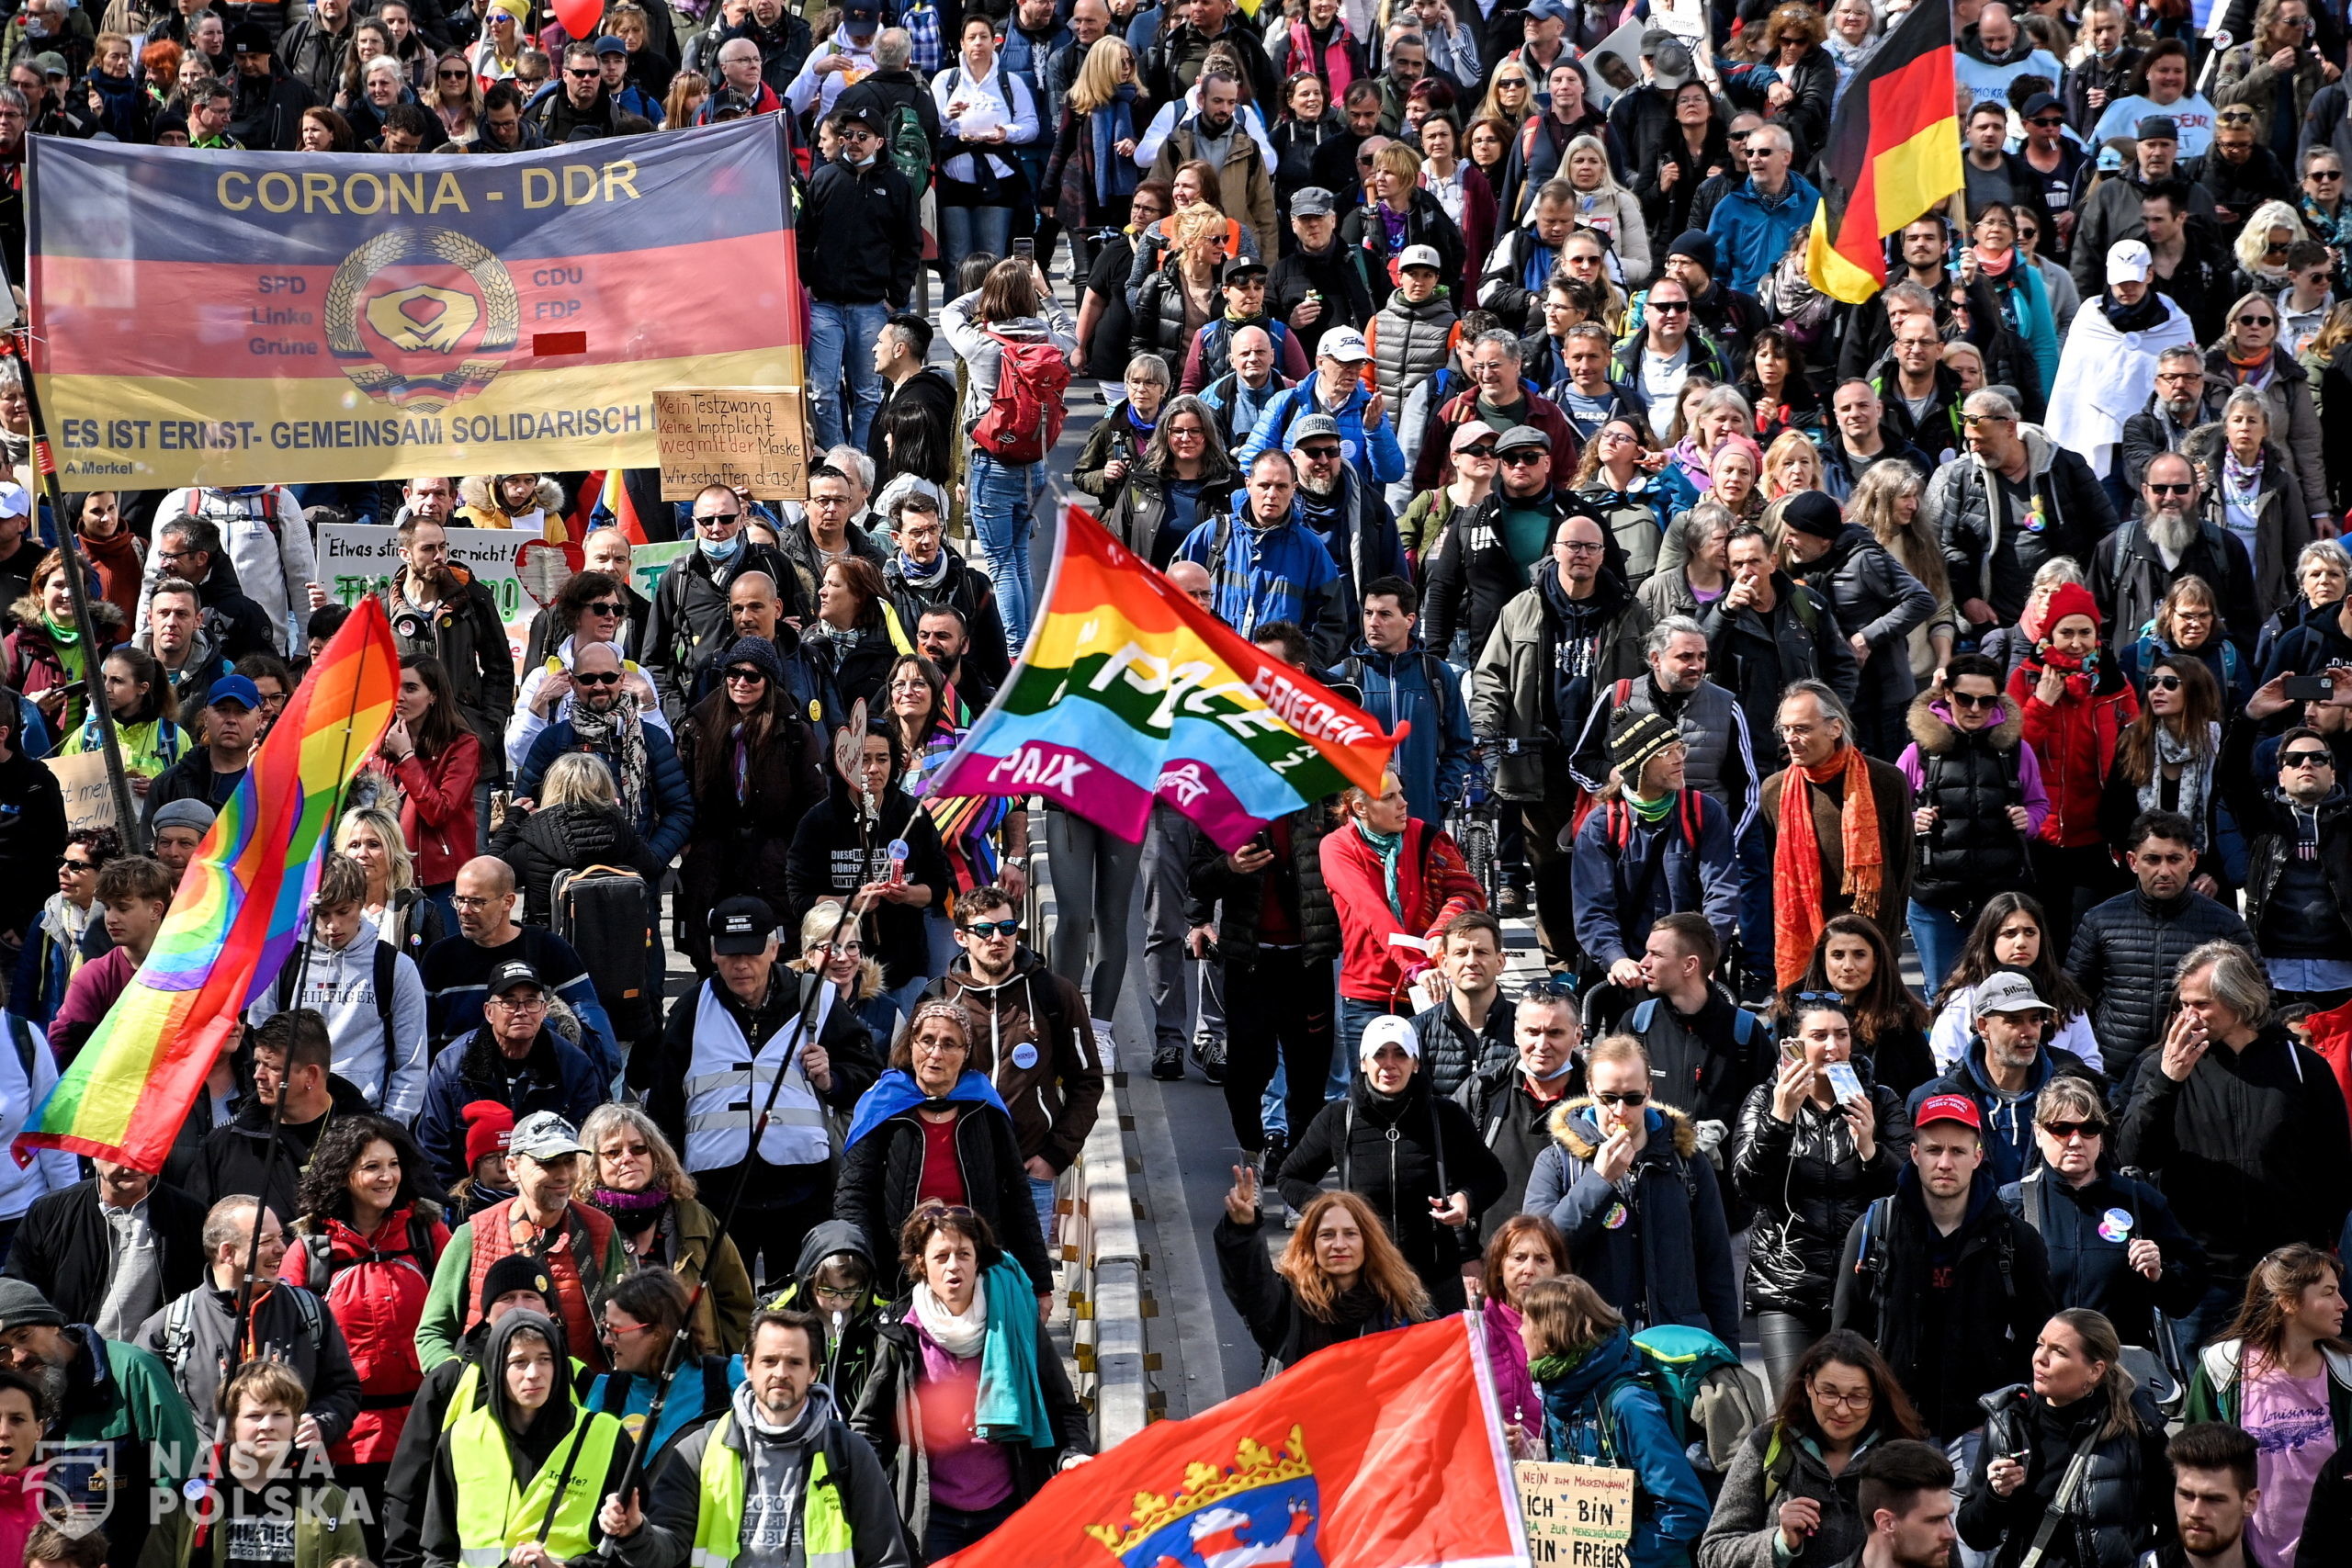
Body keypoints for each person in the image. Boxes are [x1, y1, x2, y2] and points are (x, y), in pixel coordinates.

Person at [2119, 942, 2352, 1353]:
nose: (2188, 1015)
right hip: (2203, 1277)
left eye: (2201, 1004)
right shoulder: (2162, 1066)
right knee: (2208, 1410)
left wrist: (2316, 1248)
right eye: (2184, 1004)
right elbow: (2133, 1156)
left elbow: (2336, 1167)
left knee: (2290, 1407)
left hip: (2289, 1276)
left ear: (2239, 1001)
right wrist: (2168, 1082)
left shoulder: (2303, 1067)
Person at [849, 1205, 1088, 1557]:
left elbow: (1062, 1406)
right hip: (931, 1521)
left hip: (1008, 1509)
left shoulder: (1016, 1321)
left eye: (963, 1254)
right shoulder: (901, 1332)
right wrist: (859, 1480)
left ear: (978, 1261)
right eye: (941, 1256)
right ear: (921, 1263)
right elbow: (869, 1424)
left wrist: (1073, 1455)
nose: (952, 1267)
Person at [1471, 510, 1653, 964]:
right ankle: (1559, 960)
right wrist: (1484, 727)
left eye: (1591, 548)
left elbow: (1652, 678)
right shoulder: (1521, 609)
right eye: (1573, 546)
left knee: (1608, 864)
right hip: (1540, 762)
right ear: (1554, 551)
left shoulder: (1628, 611)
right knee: (1549, 866)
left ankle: (1606, 957)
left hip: (1606, 765)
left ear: (1603, 555)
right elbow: (1491, 677)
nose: (1582, 556)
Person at [597, 1304, 906, 1568]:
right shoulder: (698, 1450)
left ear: (814, 1371)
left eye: (794, 1362)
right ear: (748, 1366)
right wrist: (635, 1531)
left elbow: (886, 1559)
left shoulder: (850, 1453)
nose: (780, 1373)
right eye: (769, 1361)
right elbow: (664, 1552)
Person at [1831, 1093, 2060, 1441]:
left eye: (1958, 1152)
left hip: (1979, 1428)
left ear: (1977, 1157)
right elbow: (1846, 1336)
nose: (1945, 1163)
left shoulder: (2015, 1239)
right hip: (1891, 1424)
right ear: (1915, 1154)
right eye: (1934, 1150)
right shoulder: (1873, 1229)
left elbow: (2038, 1341)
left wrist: (2009, 1413)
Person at [1734, 998, 1915, 1386]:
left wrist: (1870, 1149)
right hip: (1789, 1288)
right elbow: (1747, 1185)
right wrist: (1779, 1120)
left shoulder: (1880, 1101)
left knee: (1861, 1411)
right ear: (1793, 1045)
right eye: (1819, 1036)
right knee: (1795, 1416)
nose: (1832, 1047)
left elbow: (1912, 1192)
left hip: (1865, 1286)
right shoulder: (1765, 1100)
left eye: (1842, 1035)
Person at [835, 999, 1052, 1303]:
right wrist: (860, 1266)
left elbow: (1017, 1196)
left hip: (976, 1273)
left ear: (966, 1055)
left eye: (949, 1044)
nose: (936, 1053)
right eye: (927, 1040)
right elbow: (853, 1196)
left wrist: (1040, 1284)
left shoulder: (985, 1108)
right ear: (910, 1045)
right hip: (899, 1276)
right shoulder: (883, 1105)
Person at [922, 886, 1102, 1246]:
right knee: (960, 1294)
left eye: (1007, 928)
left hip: (1029, 1176)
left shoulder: (1055, 993)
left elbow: (1087, 1081)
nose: (998, 939)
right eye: (985, 931)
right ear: (961, 937)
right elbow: (916, 1085)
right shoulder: (937, 998)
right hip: (958, 1177)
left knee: (1026, 1295)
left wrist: (1054, 1155)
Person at [135, 1190, 362, 1452]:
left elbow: (343, 1389)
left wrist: (323, 1423)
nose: (282, 1248)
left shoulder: (309, 1311)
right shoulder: (169, 1327)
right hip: (205, 1487)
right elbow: (143, 1414)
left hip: (291, 1483)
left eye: (280, 1237)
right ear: (227, 1252)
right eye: (267, 1241)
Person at [416, 1305, 635, 1568]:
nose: (534, 1373)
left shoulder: (607, 1437)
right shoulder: (459, 1438)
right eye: (519, 1362)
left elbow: (633, 1551)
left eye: (545, 1359)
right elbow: (439, 1554)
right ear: (497, 1367)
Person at [1958, 1306, 2174, 1567]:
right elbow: (1975, 1536)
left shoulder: (2136, 1426)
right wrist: (1996, 1494)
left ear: (2094, 1371)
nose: (2040, 1358)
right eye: (2040, 1344)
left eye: (2059, 1352)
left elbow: (2175, 1520)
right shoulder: (2009, 1419)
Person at [1521, 1274, 1710, 1568]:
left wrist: (1624, 1559)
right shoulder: (1558, 1394)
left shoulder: (1629, 1404)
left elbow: (1687, 1508)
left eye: (1526, 1323)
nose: (1520, 1332)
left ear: (1550, 1334)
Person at [2002, 1076, 2206, 1348]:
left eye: (2089, 1129)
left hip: (2118, 1370)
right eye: (2061, 1128)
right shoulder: (2015, 1202)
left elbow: (2188, 1293)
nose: (2075, 1141)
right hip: (2039, 1369)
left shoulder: (2137, 1198)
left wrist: (2159, 1274)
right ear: (2039, 1133)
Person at [1698, 1330, 1930, 1568]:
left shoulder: (1906, 1461)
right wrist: (1779, 1543)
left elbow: (1941, 1556)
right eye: (1829, 1393)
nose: (1841, 1409)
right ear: (1809, 1385)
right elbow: (1712, 1552)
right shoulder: (1769, 1443)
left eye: (1857, 1397)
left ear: (1876, 1397)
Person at [940, 259, 1078, 653]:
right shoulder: (1049, 343)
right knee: (1019, 558)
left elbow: (950, 312)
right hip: (1033, 462)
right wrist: (1045, 292)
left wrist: (988, 290)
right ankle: (1025, 645)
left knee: (1000, 565)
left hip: (991, 463)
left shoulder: (984, 347)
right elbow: (1072, 334)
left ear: (993, 301)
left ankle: (1015, 651)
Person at [2183, 1246, 2352, 1564]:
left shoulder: (2347, 1375)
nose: (2342, 1304)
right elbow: (2195, 1474)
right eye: (2328, 1293)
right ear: (2289, 1302)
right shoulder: (2223, 1370)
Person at [2068, 816, 2256, 1090]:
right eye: (2153, 860)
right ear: (2133, 862)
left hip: (2200, 1077)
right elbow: (2072, 997)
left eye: (2174, 859)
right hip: (2115, 1077)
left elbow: (2258, 1003)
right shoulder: (2100, 921)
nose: (2165, 870)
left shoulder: (2225, 925)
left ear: (2192, 860)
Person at [675, 636, 827, 973]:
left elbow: (814, 801)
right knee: (711, 953)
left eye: (753, 676)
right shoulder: (698, 725)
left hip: (772, 857)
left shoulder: (794, 731)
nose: (741, 682)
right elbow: (679, 791)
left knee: (775, 952)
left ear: (769, 681)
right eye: (734, 673)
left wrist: (793, 853)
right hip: (713, 856)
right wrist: (689, 847)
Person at [2008, 585, 2142, 954]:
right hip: (2042, 835)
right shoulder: (2026, 678)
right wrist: (2042, 706)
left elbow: (2135, 744)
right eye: (2066, 633)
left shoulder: (2114, 683)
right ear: (2049, 635)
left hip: (2098, 835)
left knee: (2092, 941)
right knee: (2048, 939)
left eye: (2086, 632)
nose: (2076, 642)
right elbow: (2012, 754)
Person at [246, 853, 427, 1122]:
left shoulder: (395, 967)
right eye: (322, 914)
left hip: (363, 1116)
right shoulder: (281, 963)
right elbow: (261, 1045)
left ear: (361, 902)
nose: (333, 926)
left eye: (344, 911)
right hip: (291, 1115)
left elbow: (411, 1062)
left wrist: (391, 1126)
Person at [139, 1359, 370, 1568]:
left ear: (295, 1423)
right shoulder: (188, 1500)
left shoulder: (331, 1500)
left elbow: (352, 1560)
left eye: (279, 1415)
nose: (267, 1425)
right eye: (255, 1416)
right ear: (230, 1425)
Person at [1570, 712, 1739, 984]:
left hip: (1691, 965)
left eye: (1680, 748)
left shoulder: (1704, 812)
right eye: (1666, 753)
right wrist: (1616, 958)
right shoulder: (1602, 825)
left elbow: (1722, 893)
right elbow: (1592, 909)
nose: (1680, 759)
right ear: (1639, 767)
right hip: (1630, 969)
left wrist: (1705, 952)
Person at [420, 855, 617, 1077]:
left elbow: (590, 1025)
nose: (464, 911)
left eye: (476, 902)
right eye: (459, 899)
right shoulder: (440, 958)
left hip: (538, 1090)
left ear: (508, 902)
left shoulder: (550, 950)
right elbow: (424, 1041)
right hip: (462, 1091)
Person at [800, 104, 920, 455]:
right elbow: (803, 236)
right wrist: (805, 282)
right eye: (846, 135)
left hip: (871, 305)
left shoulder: (897, 185)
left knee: (867, 392)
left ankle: (862, 462)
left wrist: (895, 296)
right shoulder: (824, 178)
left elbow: (909, 244)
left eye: (861, 136)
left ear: (879, 142)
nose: (852, 141)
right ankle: (839, 460)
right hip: (824, 303)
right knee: (824, 391)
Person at [1216, 1178, 1430, 1369]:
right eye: (1327, 1235)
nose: (1339, 1244)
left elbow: (1437, 1360)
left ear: (1368, 1242)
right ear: (1310, 1244)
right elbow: (1250, 1285)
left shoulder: (1399, 1305)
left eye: (1350, 1234)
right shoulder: (1289, 1305)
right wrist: (1242, 1230)